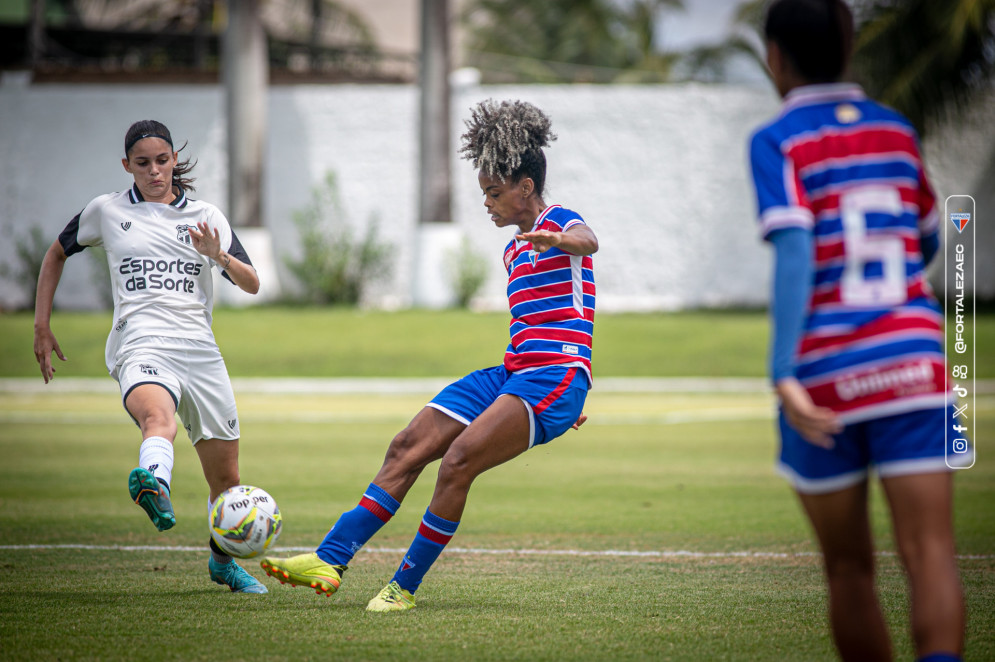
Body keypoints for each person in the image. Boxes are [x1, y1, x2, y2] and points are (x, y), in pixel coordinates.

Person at [260, 99, 598, 612]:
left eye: (494, 191)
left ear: (525, 187)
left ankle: (403, 588)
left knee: (457, 462)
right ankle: (331, 557)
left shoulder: (560, 222)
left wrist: (563, 239)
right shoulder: (512, 250)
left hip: (553, 376)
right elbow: (544, 321)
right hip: (516, 373)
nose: (486, 202)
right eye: (483, 192)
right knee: (407, 446)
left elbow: (588, 241)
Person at [749, 1, 968, 661]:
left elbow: (795, 253)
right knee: (929, 551)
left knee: (847, 570)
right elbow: (926, 236)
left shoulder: (775, 140)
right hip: (914, 366)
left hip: (824, 378)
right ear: (849, 46)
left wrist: (782, 370)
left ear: (774, 57)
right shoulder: (894, 131)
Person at [33, 119, 268, 594]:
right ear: (127, 166)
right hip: (140, 340)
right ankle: (154, 483)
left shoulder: (205, 215)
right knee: (156, 419)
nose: (155, 171)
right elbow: (56, 253)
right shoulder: (107, 210)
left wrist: (216, 254)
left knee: (227, 479)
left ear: (174, 160)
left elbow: (252, 283)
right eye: (143, 164)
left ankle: (222, 563)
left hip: (200, 351)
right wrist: (42, 325)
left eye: (162, 161)